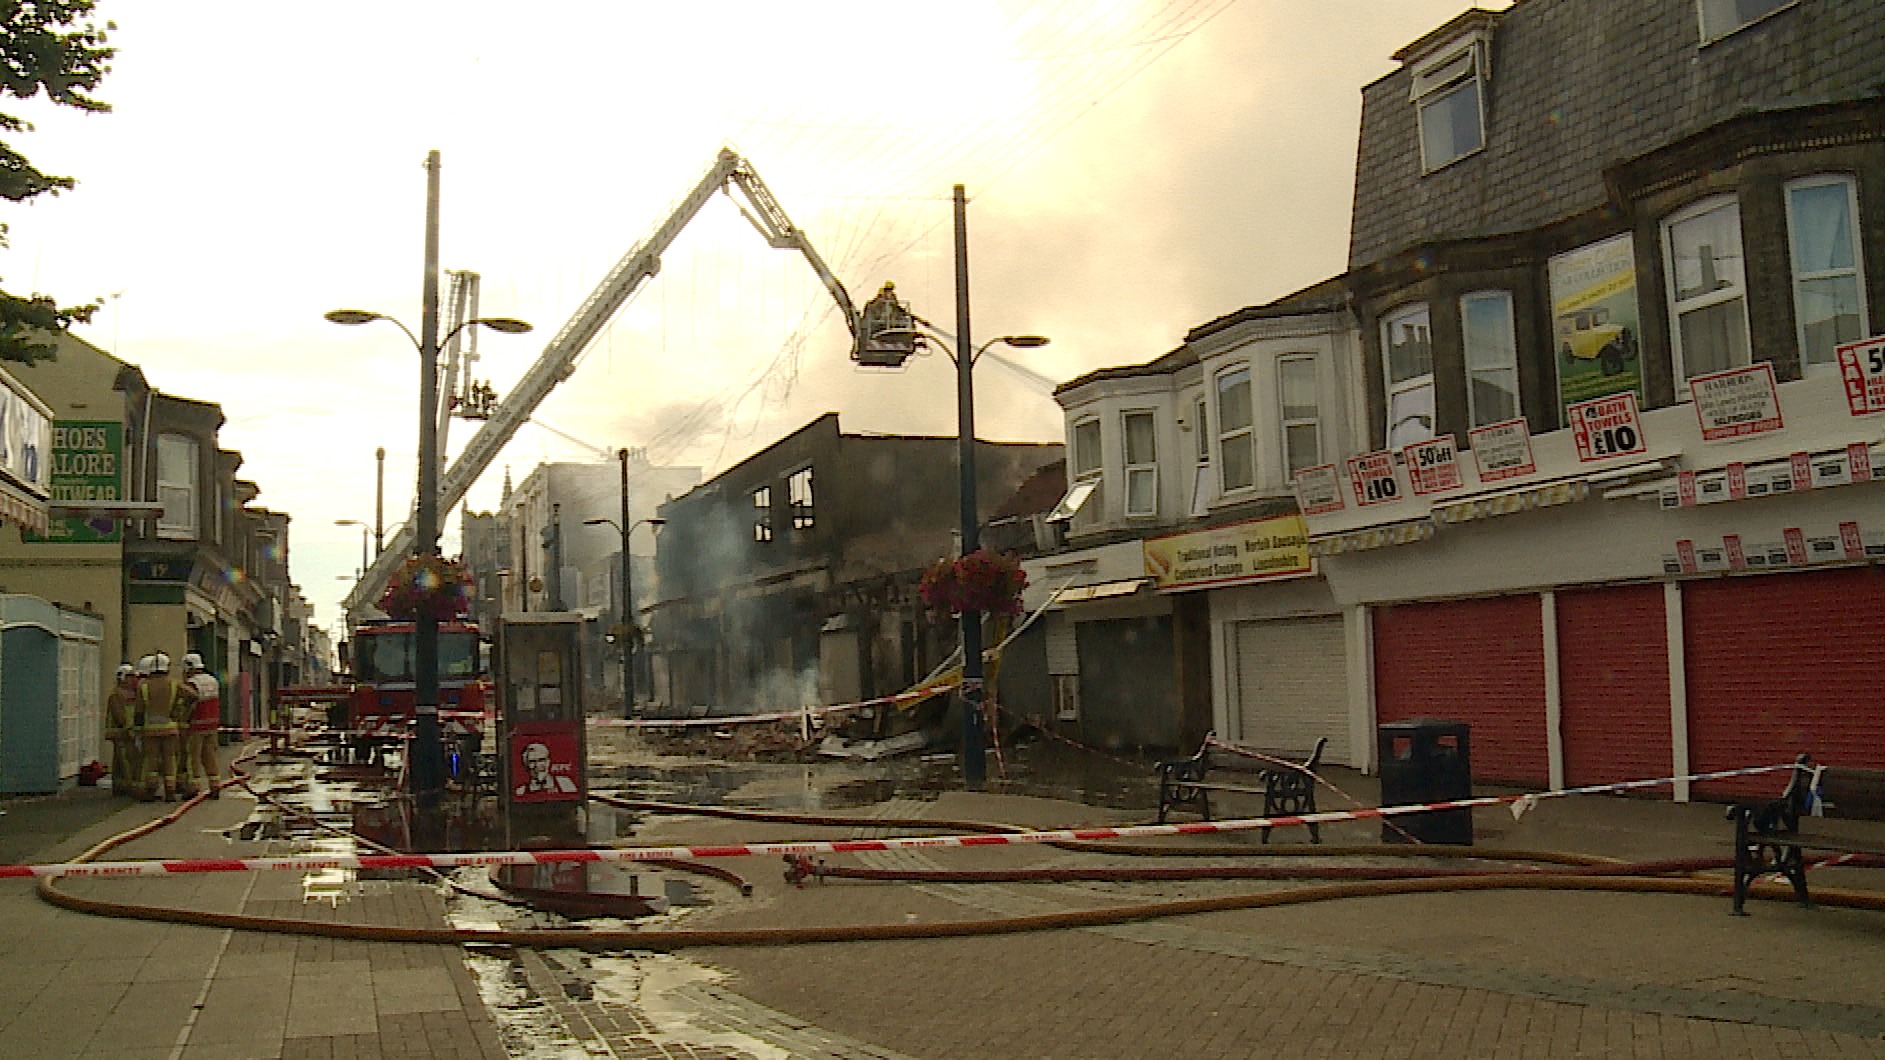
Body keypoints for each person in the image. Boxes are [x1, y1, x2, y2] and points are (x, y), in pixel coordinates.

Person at [136, 652, 196, 801]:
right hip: (170, 727)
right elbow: (193, 696)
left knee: (152, 760)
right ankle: (170, 791)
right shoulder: (174, 684)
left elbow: (139, 711)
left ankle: (151, 789)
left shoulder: (143, 687)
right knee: (170, 758)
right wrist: (179, 710)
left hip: (150, 729)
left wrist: (137, 730)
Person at [181, 653, 222, 798]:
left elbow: (189, 705)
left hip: (196, 725)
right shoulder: (213, 680)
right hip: (212, 725)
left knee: (193, 758)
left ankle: (193, 787)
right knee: (210, 756)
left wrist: (184, 721)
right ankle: (215, 785)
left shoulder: (192, 684)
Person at [104, 664, 141, 798]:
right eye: (130, 676)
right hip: (121, 732)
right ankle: (130, 786)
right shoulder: (116, 695)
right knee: (127, 760)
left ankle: (120, 787)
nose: (132, 680)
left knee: (120, 761)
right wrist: (127, 728)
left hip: (127, 731)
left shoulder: (132, 693)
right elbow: (119, 714)